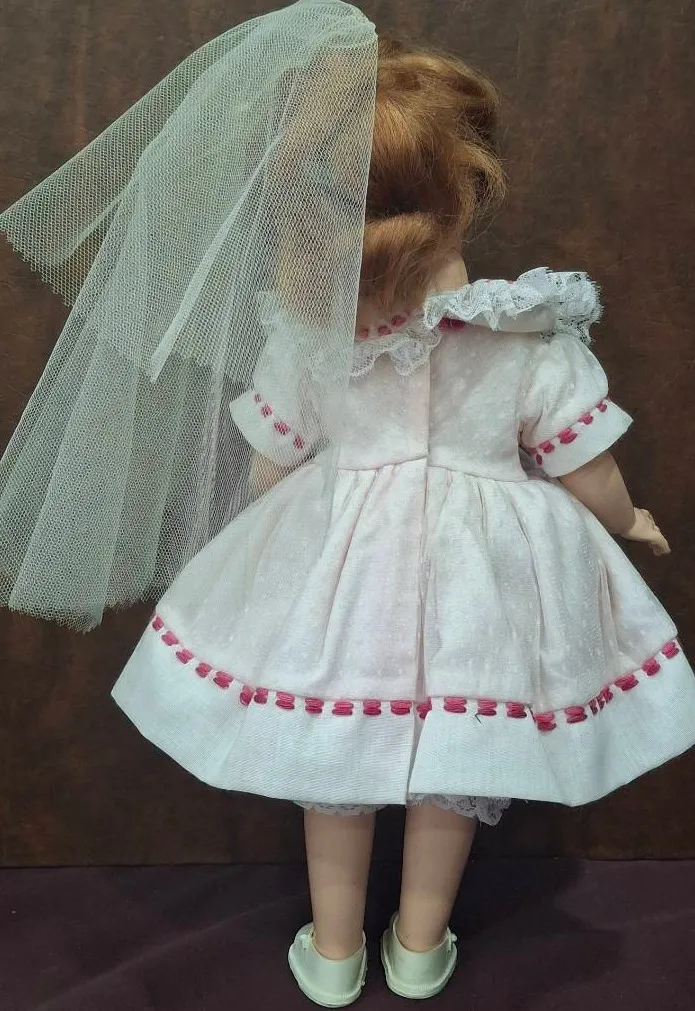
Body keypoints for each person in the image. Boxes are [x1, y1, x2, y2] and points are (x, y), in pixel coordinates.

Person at [1, 3, 693, 1007]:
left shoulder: (311, 338)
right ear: (462, 195)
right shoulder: (525, 337)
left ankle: (333, 953)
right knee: (457, 759)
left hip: (344, 570)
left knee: (332, 756)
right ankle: (418, 945)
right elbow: (582, 462)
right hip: (484, 582)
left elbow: (269, 466)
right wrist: (624, 521)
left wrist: (276, 535)